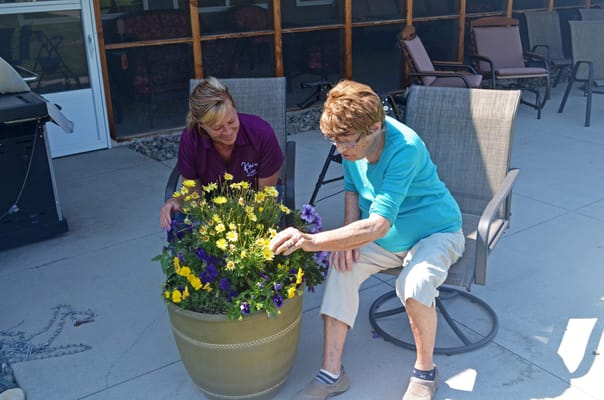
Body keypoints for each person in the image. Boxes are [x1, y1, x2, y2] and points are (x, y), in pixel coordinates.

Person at [269, 80, 465, 400]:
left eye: (345, 142)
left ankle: (425, 373)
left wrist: (313, 240)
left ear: (375, 127)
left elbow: (376, 225)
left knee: (414, 287)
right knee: (341, 270)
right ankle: (331, 375)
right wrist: (349, 236)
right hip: (387, 238)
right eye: (333, 141)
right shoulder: (352, 141)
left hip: (436, 233)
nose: (340, 150)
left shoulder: (405, 148)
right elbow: (351, 186)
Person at [160, 77, 284, 229]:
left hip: (257, 205)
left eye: (231, 121)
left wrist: (231, 219)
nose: (228, 132)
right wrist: (179, 200)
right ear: (201, 125)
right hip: (211, 206)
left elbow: (266, 197)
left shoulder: (261, 133)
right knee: (181, 230)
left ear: (235, 109)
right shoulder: (191, 138)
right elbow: (193, 195)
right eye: (217, 128)